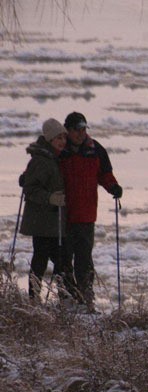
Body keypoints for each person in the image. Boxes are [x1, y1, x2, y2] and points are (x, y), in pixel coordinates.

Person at [60, 112, 123, 312]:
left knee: (84, 261)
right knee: (63, 259)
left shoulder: (96, 150)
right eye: (77, 130)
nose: (81, 134)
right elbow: (43, 168)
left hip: (86, 216)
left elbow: (105, 174)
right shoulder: (60, 149)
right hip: (62, 215)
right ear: (67, 131)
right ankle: (67, 300)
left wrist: (113, 187)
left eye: (83, 129)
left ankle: (86, 300)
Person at [19, 118, 68, 302]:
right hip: (41, 221)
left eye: (63, 137)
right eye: (58, 138)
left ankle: (63, 297)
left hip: (53, 222)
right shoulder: (42, 160)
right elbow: (30, 189)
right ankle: (34, 298)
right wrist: (50, 198)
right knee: (41, 260)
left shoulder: (55, 157)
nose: (62, 141)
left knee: (60, 261)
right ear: (49, 139)